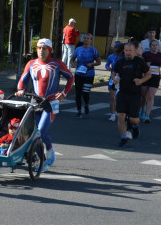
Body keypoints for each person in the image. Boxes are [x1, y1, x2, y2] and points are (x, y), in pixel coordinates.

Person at [16, 38, 74, 170]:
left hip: (50, 103)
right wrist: (20, 90)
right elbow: (22, 80)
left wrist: (64, 93)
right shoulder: (31, 64)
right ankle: (42, 161)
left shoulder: (57, 64)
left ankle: (49, 150)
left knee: (41, 131)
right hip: (34, 103)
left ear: (50, 50)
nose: (41, 51)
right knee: (32, 133)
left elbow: (70, 77)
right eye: (39, 48)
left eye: (45, 49)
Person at [111, 41, 151, 148]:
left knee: (133, 119)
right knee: (121, 116)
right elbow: (113, 73)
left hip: (135, 94)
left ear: (135, 51)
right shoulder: (120, 62)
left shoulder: (139, 62)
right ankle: (123, 138)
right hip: (122, 93)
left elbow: (148, 74)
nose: (128, 53)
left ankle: (135, 126)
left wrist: (141, 81)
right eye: (126, 51)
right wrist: (114, 79)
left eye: (130, 51)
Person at [71, 33, 100, 118]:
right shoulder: (78, 49)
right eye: (85, 38)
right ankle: (79, 111)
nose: (86, 40)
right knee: (78, 93)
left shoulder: (93, 50)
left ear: (91, 40)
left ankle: (86, 104)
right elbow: (72, 59)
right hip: (79, 73)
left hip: (89, 74)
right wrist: (73, 64)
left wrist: (92, 64)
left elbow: (99, 62)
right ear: (83, 40)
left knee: (85, 93)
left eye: (88, 38)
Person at [140, 39, 161, 123]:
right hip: (146, 77)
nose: (155, 47)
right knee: (144, 96)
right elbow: (141, 64)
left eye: (156, 45)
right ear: (150, 47)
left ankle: (147, 115)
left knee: (151, 96)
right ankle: (142, 109)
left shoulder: (160, 55)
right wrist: (146, 66)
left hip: (155, 77)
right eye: (153, 45)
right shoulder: (145, 54)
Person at [105, 41, 126, 122]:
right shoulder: (111, 56)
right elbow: (107, 64)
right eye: (115, 47)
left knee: (120, 97)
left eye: (118, 47)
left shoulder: (124, 57)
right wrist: (108, 68)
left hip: (122, 78)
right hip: (113, 77)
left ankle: (122, 113)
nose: (116, 49)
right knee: (112, 97)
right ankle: (113, 115)